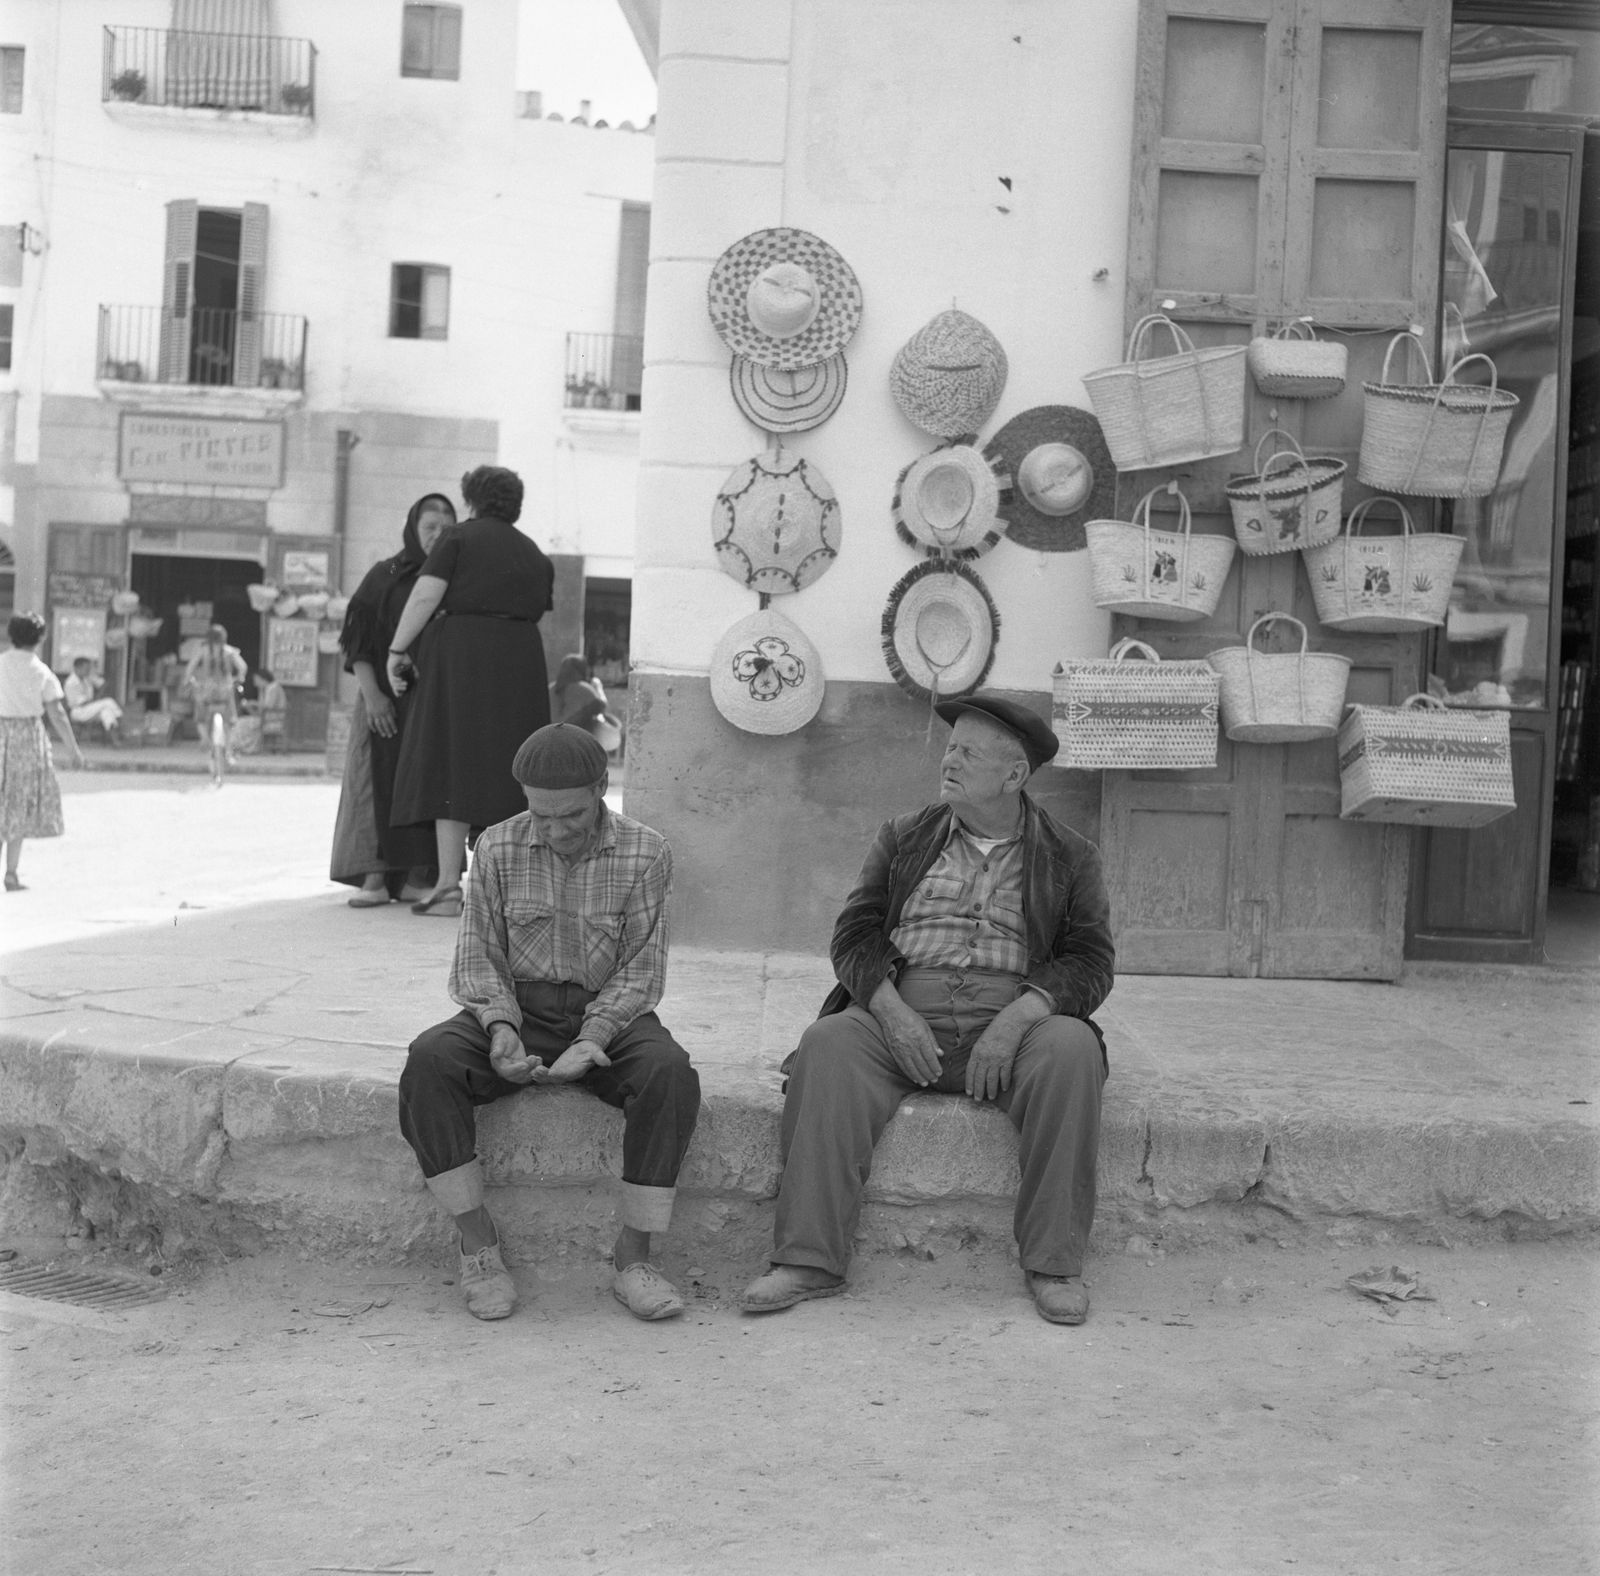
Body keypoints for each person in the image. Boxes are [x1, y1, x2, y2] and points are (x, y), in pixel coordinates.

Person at [740, 693, 1115, 1326]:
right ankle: (808, 1258)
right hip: (903, 1008)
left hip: (1015, 1019)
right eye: (949, 747)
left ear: (1014, 775)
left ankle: (1054, 1263)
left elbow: (1090, 961)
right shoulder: (905, 836)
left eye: (968, 752)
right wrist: (889, 1010)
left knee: (1072, 1053)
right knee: (829, 1045)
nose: (950, 760)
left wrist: (1017, 1021)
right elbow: (855, 935)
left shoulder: (1069, 855)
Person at [398, 723, 700, 1323]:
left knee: (669, 1075)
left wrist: (592, 1039)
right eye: (542, 816)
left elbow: (641, 972)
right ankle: (478, 1244)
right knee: (429, 1060)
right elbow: (478, 957)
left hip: (607, 1012)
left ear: (601, 789)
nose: (556, 830)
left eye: (572, 815)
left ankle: (634, 1257)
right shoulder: (496, 847)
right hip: (519, 1009)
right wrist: (500, 1028)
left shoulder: (648, 852)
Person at [387, 467, 555, 919]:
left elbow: (425, 596)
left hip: (461, 658)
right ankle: (504, 893)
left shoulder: (458, 539)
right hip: (520, 660)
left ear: (473, 500)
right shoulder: (536, 555)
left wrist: (398, 648)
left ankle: (447, 888)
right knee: (510, 768)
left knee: (451, 763)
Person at [330, 493, 454, 906]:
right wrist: (374, 698)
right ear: (413, 529)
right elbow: (359, 646)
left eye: (445, 527)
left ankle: (419, 876)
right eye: (429, 527)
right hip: (383, 701)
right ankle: (375, 877)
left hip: (432, 703)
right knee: (373, 784)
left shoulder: (457, 579)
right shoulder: (384, 575)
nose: (437, 535)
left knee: (426, 786)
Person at [1, 613, 87, 892]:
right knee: (17, 806)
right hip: (28, 740)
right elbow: (57, 714)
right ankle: (11, 874)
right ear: (39, 639)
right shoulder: (41, 671)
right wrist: (73, 749)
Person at [183, 623, 248, 784]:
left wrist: (190, 681)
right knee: (230, 722)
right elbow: (243, 667)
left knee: (200, 717)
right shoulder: (230, 651)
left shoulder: (202, 650)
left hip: (206, 691)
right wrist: (239, 678)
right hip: (225, 691)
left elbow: (189, 669)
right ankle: (228, 753)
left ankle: (204, 738)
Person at [550, 652, 622, 754]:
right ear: (581, 670)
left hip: (550, 743)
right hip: (578, 747)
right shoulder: (584, 689)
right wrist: (598, 687)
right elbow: (603, 707)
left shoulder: (550, 689)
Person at [63, 657, 123, 742]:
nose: (88, 671)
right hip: (78, 711)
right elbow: (82, 703)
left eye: (89, 669)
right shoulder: (70, 683)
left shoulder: (87, 677)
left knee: (106, 712)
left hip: (90, 709)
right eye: (86, 669)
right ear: (77, 668)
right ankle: (119, 717)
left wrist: (98, 696)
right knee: (108, 702)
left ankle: (115, 740)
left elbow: (103, 684)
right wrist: (97, 702)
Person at [254, 669, 287, 754]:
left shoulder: (273, 688)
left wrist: (253, 703)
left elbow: (268, 706)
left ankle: (251, 748)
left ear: (263, 679)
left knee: (243, 723)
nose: (255, 683)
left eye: (256, 680)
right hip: (269, 717)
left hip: (274, 719)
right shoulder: (267, 688)